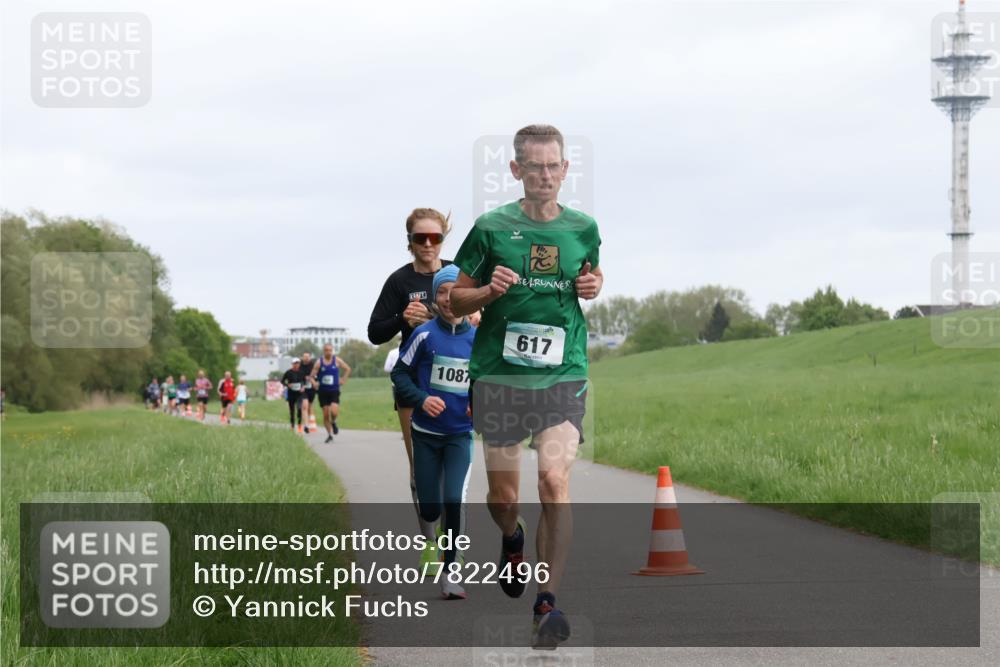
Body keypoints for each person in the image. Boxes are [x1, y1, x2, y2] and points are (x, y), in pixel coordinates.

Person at [450, 124, 603, 650]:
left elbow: (591, 276)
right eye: (533, 166)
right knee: (504, 496)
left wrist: (594, 284)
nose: (544, 175)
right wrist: (487, 291)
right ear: (516, 170)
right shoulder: (491, 228)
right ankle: (512, 539)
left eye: (552, 165)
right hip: (499, 376)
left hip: (564, 374)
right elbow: (454, 301)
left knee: (554, 482)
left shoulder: (584, 227)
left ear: (564, 169)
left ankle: (546, 603)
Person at [391, 265, 476, 600]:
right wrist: (422, 399)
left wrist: (478, 403)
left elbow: (485, 381)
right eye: (442, 291)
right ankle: (436, 531)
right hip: (425, 435)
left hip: (459, 435)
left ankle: (451, 570)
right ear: (435, 297)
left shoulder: (478, 340)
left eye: (456, 291)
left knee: (454, 500)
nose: (449, 298)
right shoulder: (423, 335)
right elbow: (400, 375)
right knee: (430, 509)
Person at [368, 207, 453, 537]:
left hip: (453, 380)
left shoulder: (457, 275)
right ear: (410, 241)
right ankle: (429, 541)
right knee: (422, 468)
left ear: (443, 240)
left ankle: (451, 544)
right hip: (413, 381)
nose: (429, 244)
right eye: (422, 238)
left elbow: (478, 315)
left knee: (452, 466)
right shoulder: (400, 281)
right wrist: (403, 318)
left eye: (436, 238)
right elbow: (375, 332)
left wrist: (471, 316)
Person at [311, 343, 351, 443]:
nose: (328, 352)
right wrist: (314, 383)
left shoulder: (337, 360)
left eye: (330, 350)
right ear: (323, 351)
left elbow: (347, 369)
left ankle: (333, 422)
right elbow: (311, 376)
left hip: (334, 390)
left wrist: (343, 379)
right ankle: (329, 434)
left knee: (334, 412)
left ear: (332, 350)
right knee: (325, 415)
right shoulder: (319, 362)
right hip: (323, 391)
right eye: (326, 350)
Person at [281, 358, 307, 432]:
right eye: (295, 363)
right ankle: (292, 426)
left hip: (299, 394)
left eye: (298, 363)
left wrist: (303, 387)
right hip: (291, 394)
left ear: (299, 364)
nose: (296, 365)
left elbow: (304, 381)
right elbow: (282, 381)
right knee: (292, 411)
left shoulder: (302, 372)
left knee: (299, 410)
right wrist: (287, 385)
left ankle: (299, 426)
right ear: (292, 364)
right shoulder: (288, 372)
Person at [300, 351, 317, 431]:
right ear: (302, 357)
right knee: (304, 406)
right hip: (303, 389)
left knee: (310, 407)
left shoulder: (313, 365)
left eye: (307, 357)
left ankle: (310, 422)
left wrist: (313, 380)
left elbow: (316, 375)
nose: (306, 358)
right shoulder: (299, 365)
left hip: (312, 389)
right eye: (304, 356)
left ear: (310, 357)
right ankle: (306, 426)